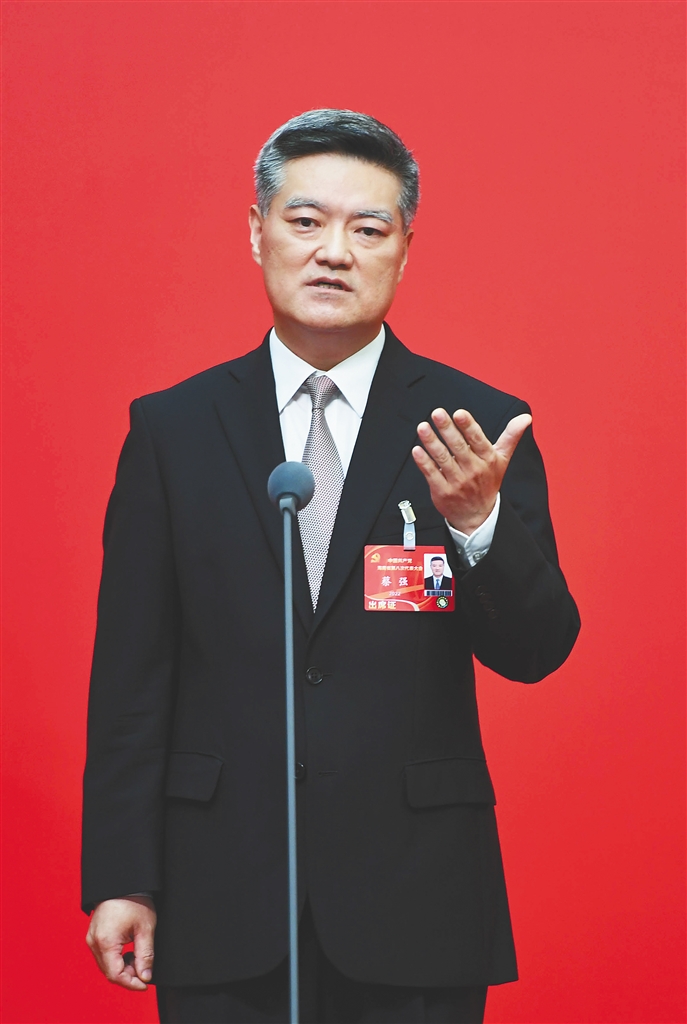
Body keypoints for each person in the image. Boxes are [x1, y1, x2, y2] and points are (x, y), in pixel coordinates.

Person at [82, 109, 580, 1024]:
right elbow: (132, 676)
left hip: (416, 894)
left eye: (368, 228)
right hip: (219, 890)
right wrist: (123, 875)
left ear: (404, 249)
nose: (333, 253)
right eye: (305, 221)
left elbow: (537, 650)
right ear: (257, 231)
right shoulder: (172, 429)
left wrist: (478, 523)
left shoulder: (473, 427)